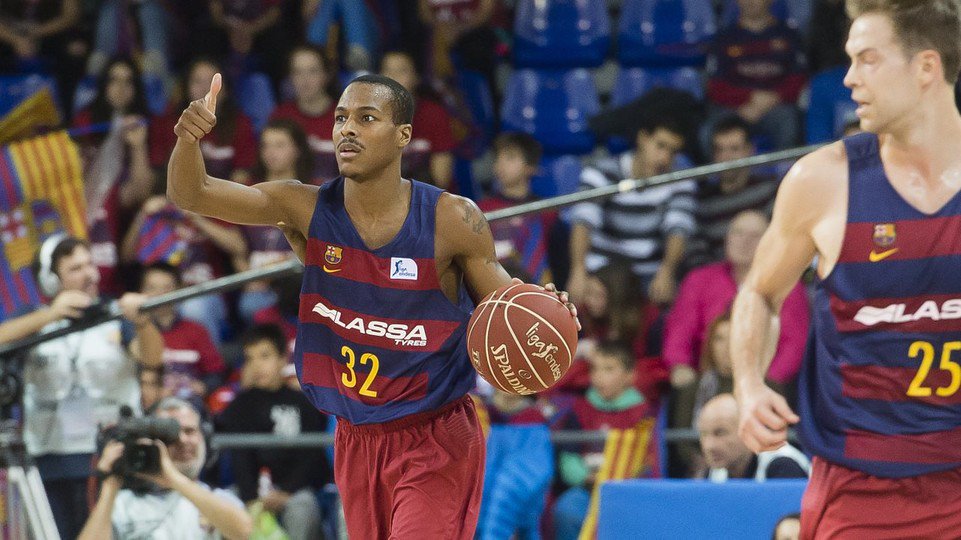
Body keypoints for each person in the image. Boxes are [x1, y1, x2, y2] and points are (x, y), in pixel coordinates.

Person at [167, 72, 578, 538]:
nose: (347, 129)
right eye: (341, 118)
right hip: (355, 437)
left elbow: (508, 308)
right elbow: (191, 193)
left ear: (403, 135)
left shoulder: (453, 219)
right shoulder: (304, 206)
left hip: (434, 437)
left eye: (366, 118)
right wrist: (187, 138)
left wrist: (545, 315)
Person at [731, 0, 961, 535]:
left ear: (926, 68)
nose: (849, 79)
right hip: (860, 489)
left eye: (868, 60)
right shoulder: (823, 181)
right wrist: (748, 384)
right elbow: (759, 294)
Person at [0, 234, 163, 539]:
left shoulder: (116, 314)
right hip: (50, 458)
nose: (89, 273)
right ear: (51, 281)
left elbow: (152, 358)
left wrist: (143, 323)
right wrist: (51, 314)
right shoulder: (35, 319)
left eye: (90, 264)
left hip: (114, 452)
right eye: (76, 268)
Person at [79, 397, 253, 539]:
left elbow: (244, 532)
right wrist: (110, 487)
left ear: (204, 437)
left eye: (190, 431)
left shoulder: (218, 499)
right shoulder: (124, 504)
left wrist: (174, 479)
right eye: (172, 434)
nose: (183, 440)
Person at [567, 114, 695, 306]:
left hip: (646, 278)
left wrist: (667, 272)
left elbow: (678, 230)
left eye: (673, 151)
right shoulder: (602, 171)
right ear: (643, 138)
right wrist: (578, 271)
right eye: (660, 146)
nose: (665, 158)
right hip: (601, 271)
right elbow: (583, 222)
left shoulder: (680, 182)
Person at [217, 324, 331, 540]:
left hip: (294, 491)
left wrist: (286, 491)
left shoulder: (302, 402)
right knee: (223, 505)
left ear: (282, 358)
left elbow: (312, 454)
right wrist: (251, 498)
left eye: (265, 356)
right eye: (250, 358)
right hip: (249, 491)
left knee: (303, 507)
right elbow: (239, 455)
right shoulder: (241, 404)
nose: (257, 365)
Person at [697, 394, 808, 481]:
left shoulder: (783, 466)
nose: (709, 446)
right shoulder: (715, 473)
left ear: (748, 429)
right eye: (704, 434)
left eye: (720, 433)